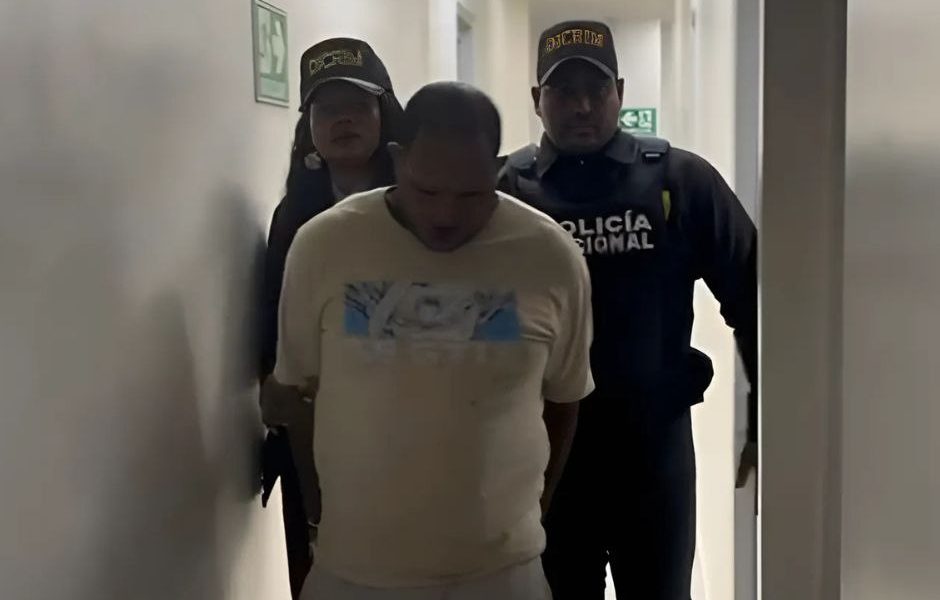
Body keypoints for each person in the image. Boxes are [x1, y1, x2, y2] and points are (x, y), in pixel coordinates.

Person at [273, 81, 594, 600]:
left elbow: (564, 399)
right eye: (427, 191)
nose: (445, 216)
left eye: (470, 194)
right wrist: (317, 516)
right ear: (398, 160)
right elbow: (299, 395)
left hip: (502, 573)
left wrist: (529, 517)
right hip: (354, 571)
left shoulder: (551, 258)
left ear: (497, 169)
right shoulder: (323, 245)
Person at [498, 20, 758, 600]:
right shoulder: (506, 190)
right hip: (546, 454)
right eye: (564, 91)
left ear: (619, 91)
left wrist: (767, 419)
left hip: (652, 451)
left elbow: (755, 299)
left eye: (597, 89)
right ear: (537, 99)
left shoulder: (679, 180)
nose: (582, 106)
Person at [258, 37, 405, 599]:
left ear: (384, 113)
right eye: (326, 109)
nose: (343, 120)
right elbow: (273, 331)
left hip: (411, 427)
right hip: (317, 438)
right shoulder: (294, 216)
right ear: (309, 127)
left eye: (357, 105)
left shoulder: (421, 201)